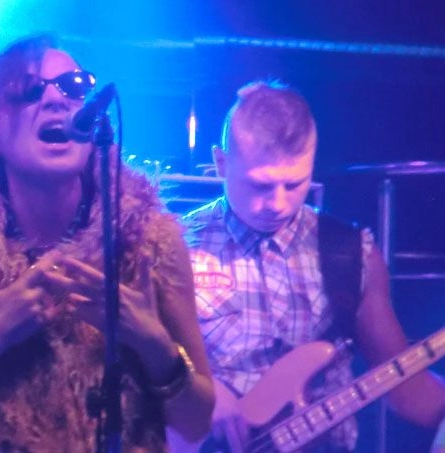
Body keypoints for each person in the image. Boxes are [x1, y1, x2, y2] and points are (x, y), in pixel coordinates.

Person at [0, 34, 214, 453]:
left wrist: (151, 342)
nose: (56, 99)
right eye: (29, 91)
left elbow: (197, 422)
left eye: (73, 86)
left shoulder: (148, 242)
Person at [185, 80, 445, 452]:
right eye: (260, 186)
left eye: (295, 184)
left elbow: (405, 389)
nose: (277, 204)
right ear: (221, 163)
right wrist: (193, 388)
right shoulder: (174, 246)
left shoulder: (350, 253)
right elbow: (136, 363)